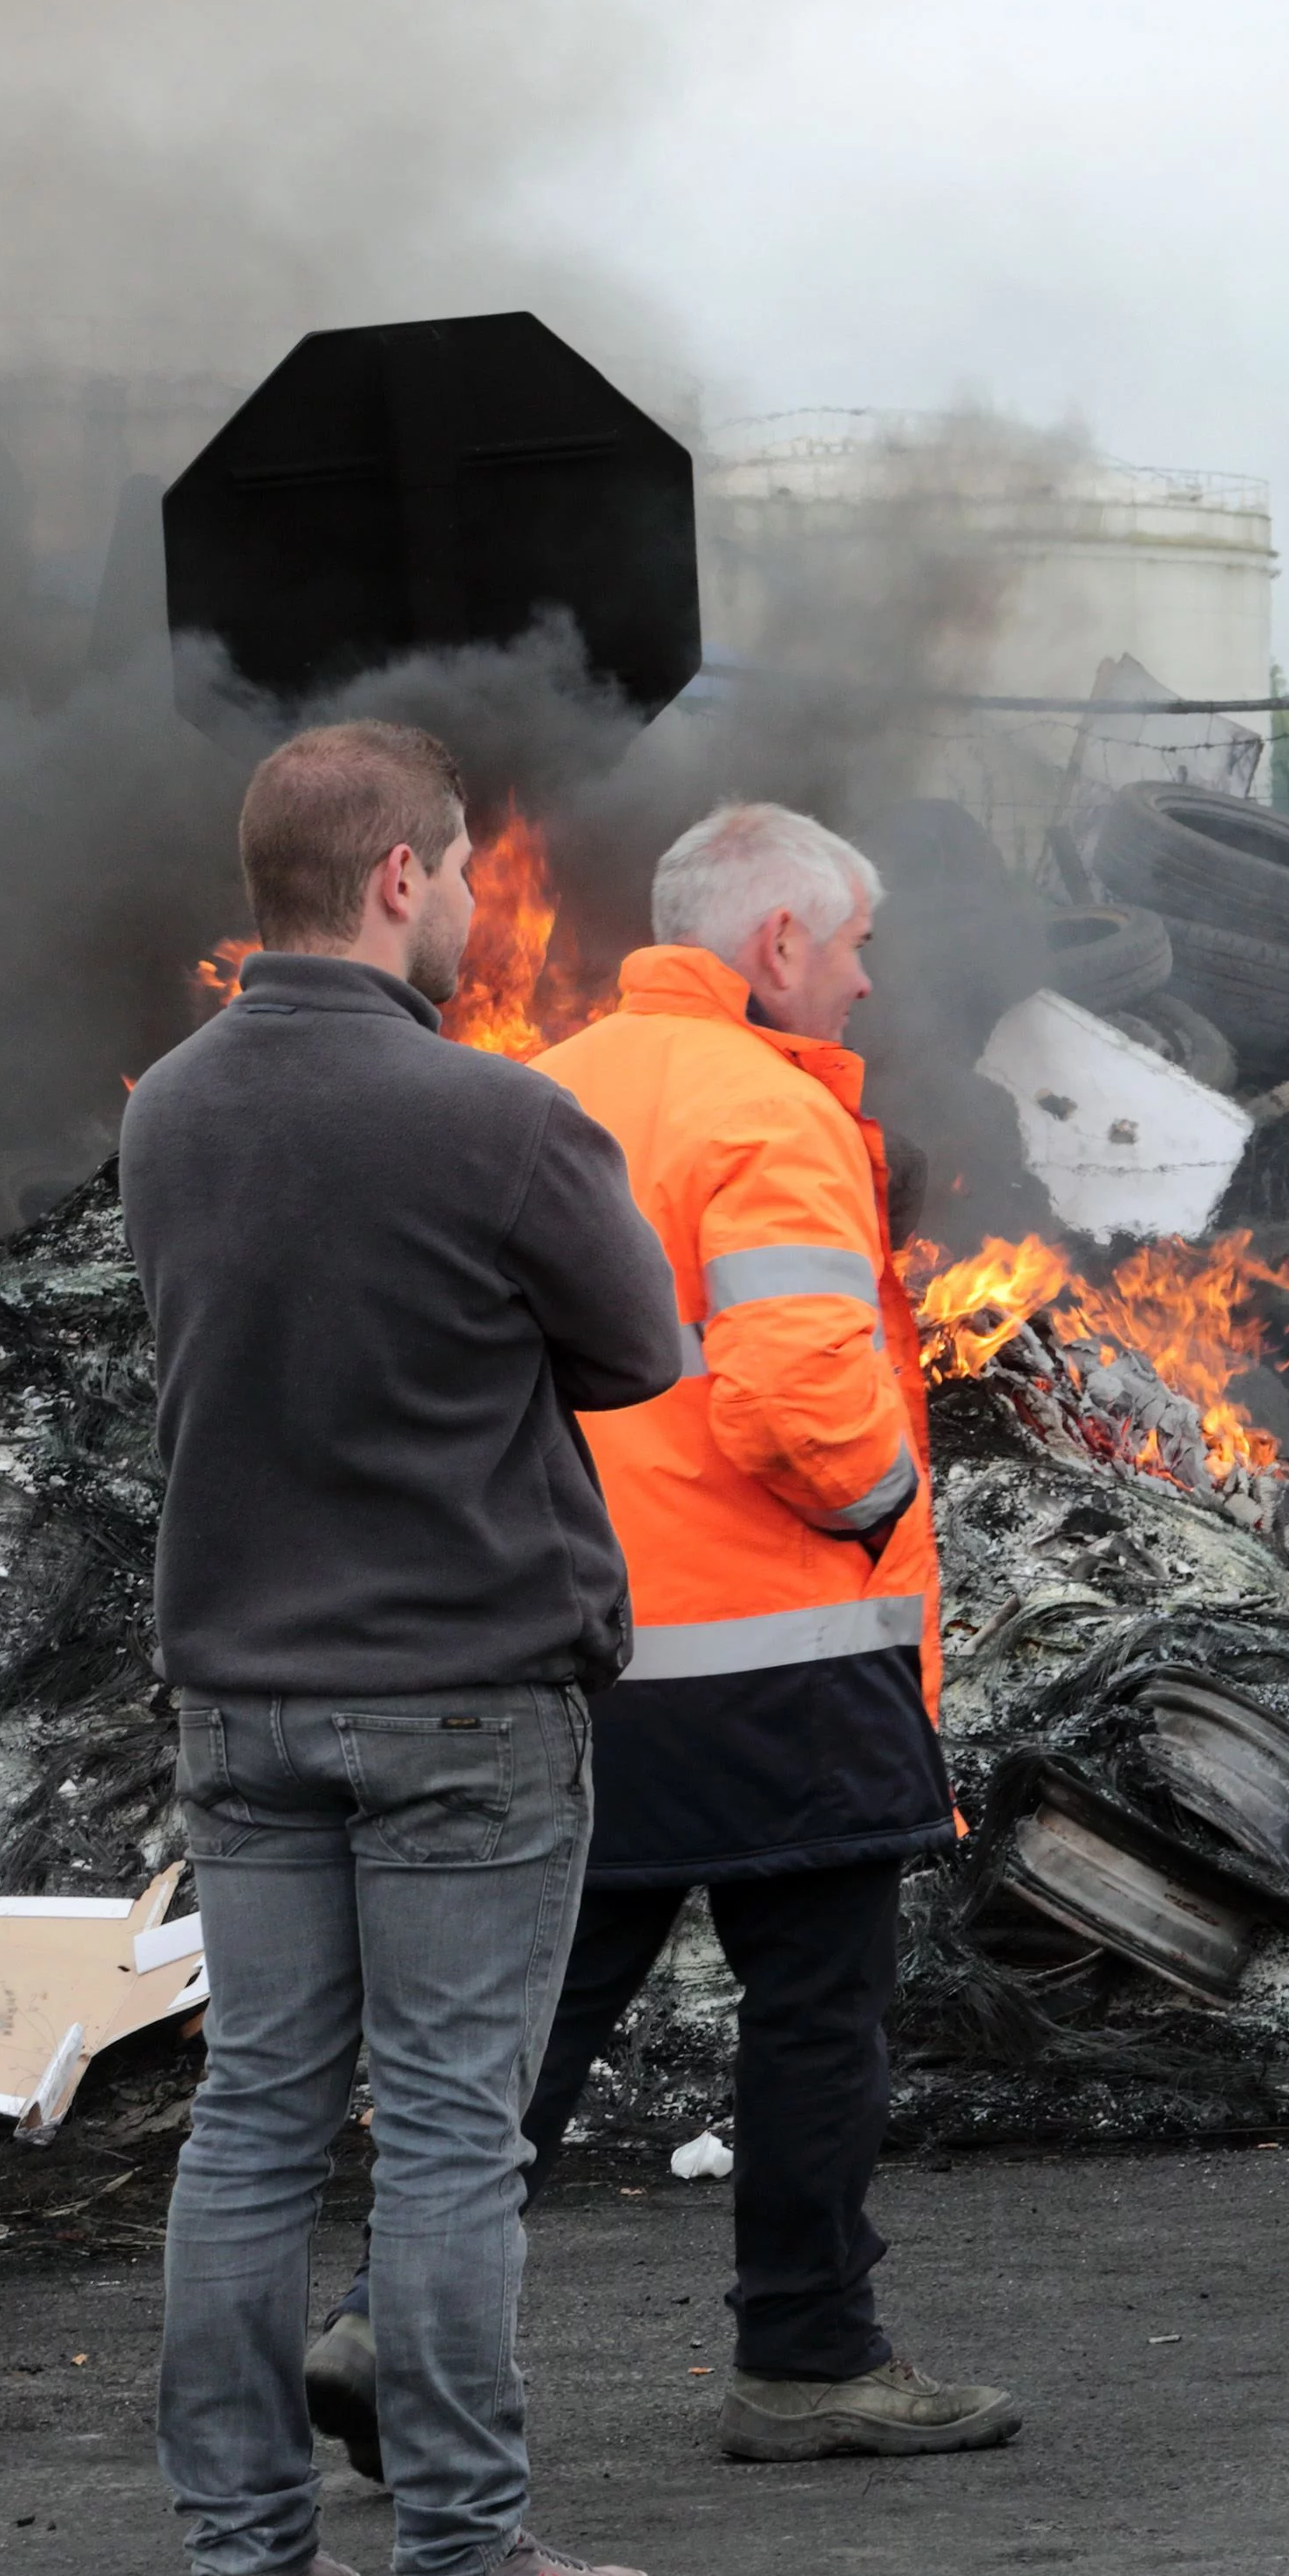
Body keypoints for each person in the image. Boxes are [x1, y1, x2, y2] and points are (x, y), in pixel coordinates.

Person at [309, 801, 1021, 2470]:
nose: (861, 982)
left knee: (537, 2010)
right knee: (816, 2015)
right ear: (777, 942)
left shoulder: (535, 1090)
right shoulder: (767, 1109)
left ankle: (385, 2317)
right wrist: (875, 1505)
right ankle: (808, 2356)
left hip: (574, 1642)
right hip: (780, 1655)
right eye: (850, 947)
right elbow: (796, 1391)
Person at [126, 720, 686, 2576]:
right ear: (394, 878)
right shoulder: (497, 1116)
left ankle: (244, 2551)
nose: (469, 902)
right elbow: (641, 1354)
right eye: (455, 870)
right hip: (462, 1688)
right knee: (453, 2126)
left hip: (241, 1695)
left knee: (257, 2117)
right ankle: (462, 2550)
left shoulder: (169, 1109)